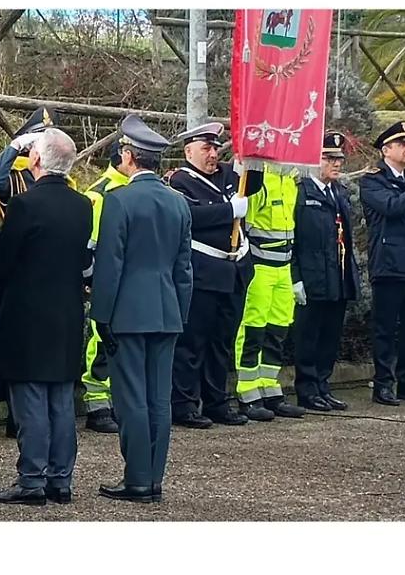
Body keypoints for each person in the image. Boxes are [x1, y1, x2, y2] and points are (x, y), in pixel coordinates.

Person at [0, 128, 91, 507]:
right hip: (66, 313)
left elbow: (3, 262)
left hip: (27, 316)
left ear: (36, 161)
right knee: (61, 400)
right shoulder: (83, 207)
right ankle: (60, 479)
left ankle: (31, 478)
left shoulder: (25, 206)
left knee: (30, 401)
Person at [90, 115, 192, 503]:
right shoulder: (178, 203)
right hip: (167, 311)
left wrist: (102, 316)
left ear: (129, 156)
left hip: (128, 313)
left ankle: (136, 478)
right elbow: (184, 268)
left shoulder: (119, 200)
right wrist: (180, 313)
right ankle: (154, 479)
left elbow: (110, 265)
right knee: (158, 399)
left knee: (131, 398)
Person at [167, 123, 263, 428]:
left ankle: (217, 400)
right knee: (192, 343)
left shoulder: (226, 174)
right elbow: (189, 217)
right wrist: (229, 211)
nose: (212, 154)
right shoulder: (179, 182)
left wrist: (252, 153)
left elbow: (252, 183)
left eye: (215, 148)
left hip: (233, 271)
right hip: (204, 272)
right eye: (206, 148)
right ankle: (184, 404)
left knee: (222, 341)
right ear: (188, 151)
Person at [0, 106, 59, 438]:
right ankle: (15, 417)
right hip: (15, 272)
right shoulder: (14, 175)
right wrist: (14, 148)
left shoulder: (56, 178)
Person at [232, 159, 306, 421]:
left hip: (283, 268)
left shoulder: (290, 180)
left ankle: (270, 389)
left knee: (278, 329)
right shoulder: (257, 177)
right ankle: (248, 393)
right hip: (260, 266)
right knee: (253, 328)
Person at [291, 131, 359, 411]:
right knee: (308, 336)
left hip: (337, 277)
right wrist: (295, 278)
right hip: (312, 276)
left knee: (330, 336)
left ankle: (322, 385)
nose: (336, 163)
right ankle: (307, 389)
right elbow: (293, 238)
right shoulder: (301, 192)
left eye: (339, 158)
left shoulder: (339, 193)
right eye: (329, 158)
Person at [358, 120, 405, 406]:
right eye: (402, 144)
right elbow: (391, 207)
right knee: (385, 328)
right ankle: (383, 383)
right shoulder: (373, 180)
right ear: (386, 149)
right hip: (389, 265)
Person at [79, 142, 128, 434]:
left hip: (129, 279)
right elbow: (91, 246)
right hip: (106, 280)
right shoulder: (100, 193)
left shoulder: (130, 187)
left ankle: (115, 401)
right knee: (100, 343)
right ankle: (97, 404)